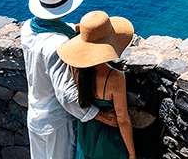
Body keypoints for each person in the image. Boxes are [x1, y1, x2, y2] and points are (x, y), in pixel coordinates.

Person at [21, 0, 117, 159]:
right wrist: (99, 115)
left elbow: (54, 30)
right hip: (56, 123)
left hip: (35, 116)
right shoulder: (59, 44)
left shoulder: (28, 29)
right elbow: (65, 93)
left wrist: (83, 28)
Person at [57, 11, 136, 159]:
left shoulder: (74, 68)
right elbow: (123, 120)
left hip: (85, 141)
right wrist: (132, 153)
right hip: (110, 146)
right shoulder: (114, 77)